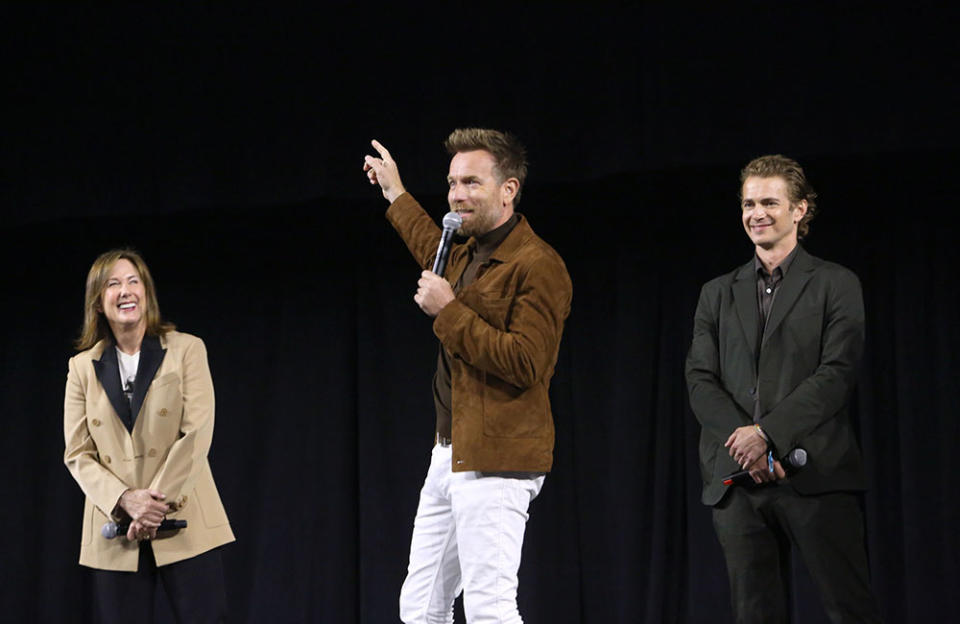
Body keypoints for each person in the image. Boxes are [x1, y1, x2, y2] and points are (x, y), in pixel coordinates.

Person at [363, 129, 572, 623]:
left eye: (472, 182)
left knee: (490, 608)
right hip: (450, 452)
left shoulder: (537, 265)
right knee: (421, 605)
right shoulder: (462, 248)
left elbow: (527, 362)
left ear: (509, 190)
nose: (457, 194)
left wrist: (449, 311)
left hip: (499, 456)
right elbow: (424, 239)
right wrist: (394, 190)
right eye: (454, 182)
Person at [685, 155, 882, 623]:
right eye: (749, 203)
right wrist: (746, 444)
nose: (757, 213)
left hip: (815, 474)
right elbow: (700, 378)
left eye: (770, 202)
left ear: (800, 210)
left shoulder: (836, 283)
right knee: (754, 614)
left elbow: (835, 374)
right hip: (737, 479)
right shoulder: (717, 292)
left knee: (848, 609)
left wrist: (767, 434)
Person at [63, 249, 235, 623]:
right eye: (113, 284)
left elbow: (197, 432)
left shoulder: (187, 349)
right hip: (115, 530)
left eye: (133, 281)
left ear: (146, 293)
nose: (125, 291)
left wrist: (153, 507)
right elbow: (77, 453)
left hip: (185, 519)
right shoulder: (80, 368)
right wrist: (126, 500)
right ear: (98, 302)